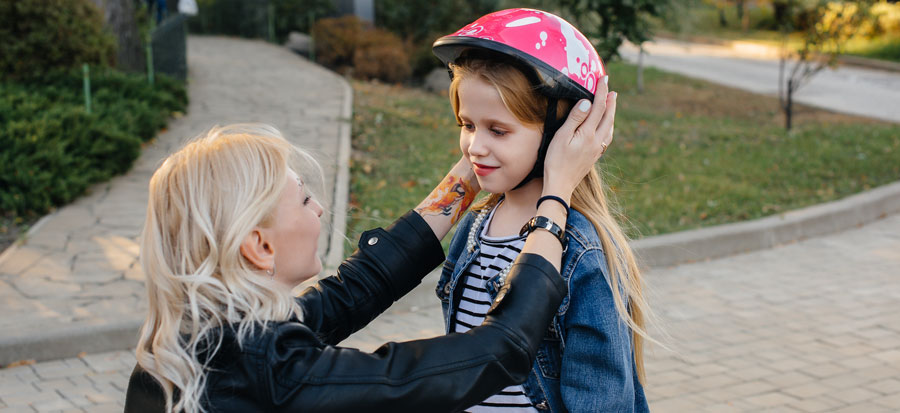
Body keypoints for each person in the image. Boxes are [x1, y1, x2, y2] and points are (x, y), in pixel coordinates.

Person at [124, 85, 616, 413]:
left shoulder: (205, 339)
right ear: (258, 245)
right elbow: (496, 350)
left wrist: (476, 160)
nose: (318, 209)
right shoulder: (268, 368)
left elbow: (355, 290)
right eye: (303, 198)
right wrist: (555, 195)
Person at [432, 9, 651, 412]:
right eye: (467, 124)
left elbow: (602, 398)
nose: (475, 147)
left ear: (560, 132)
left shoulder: (581, 252)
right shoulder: (473, 228)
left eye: (498, 130)